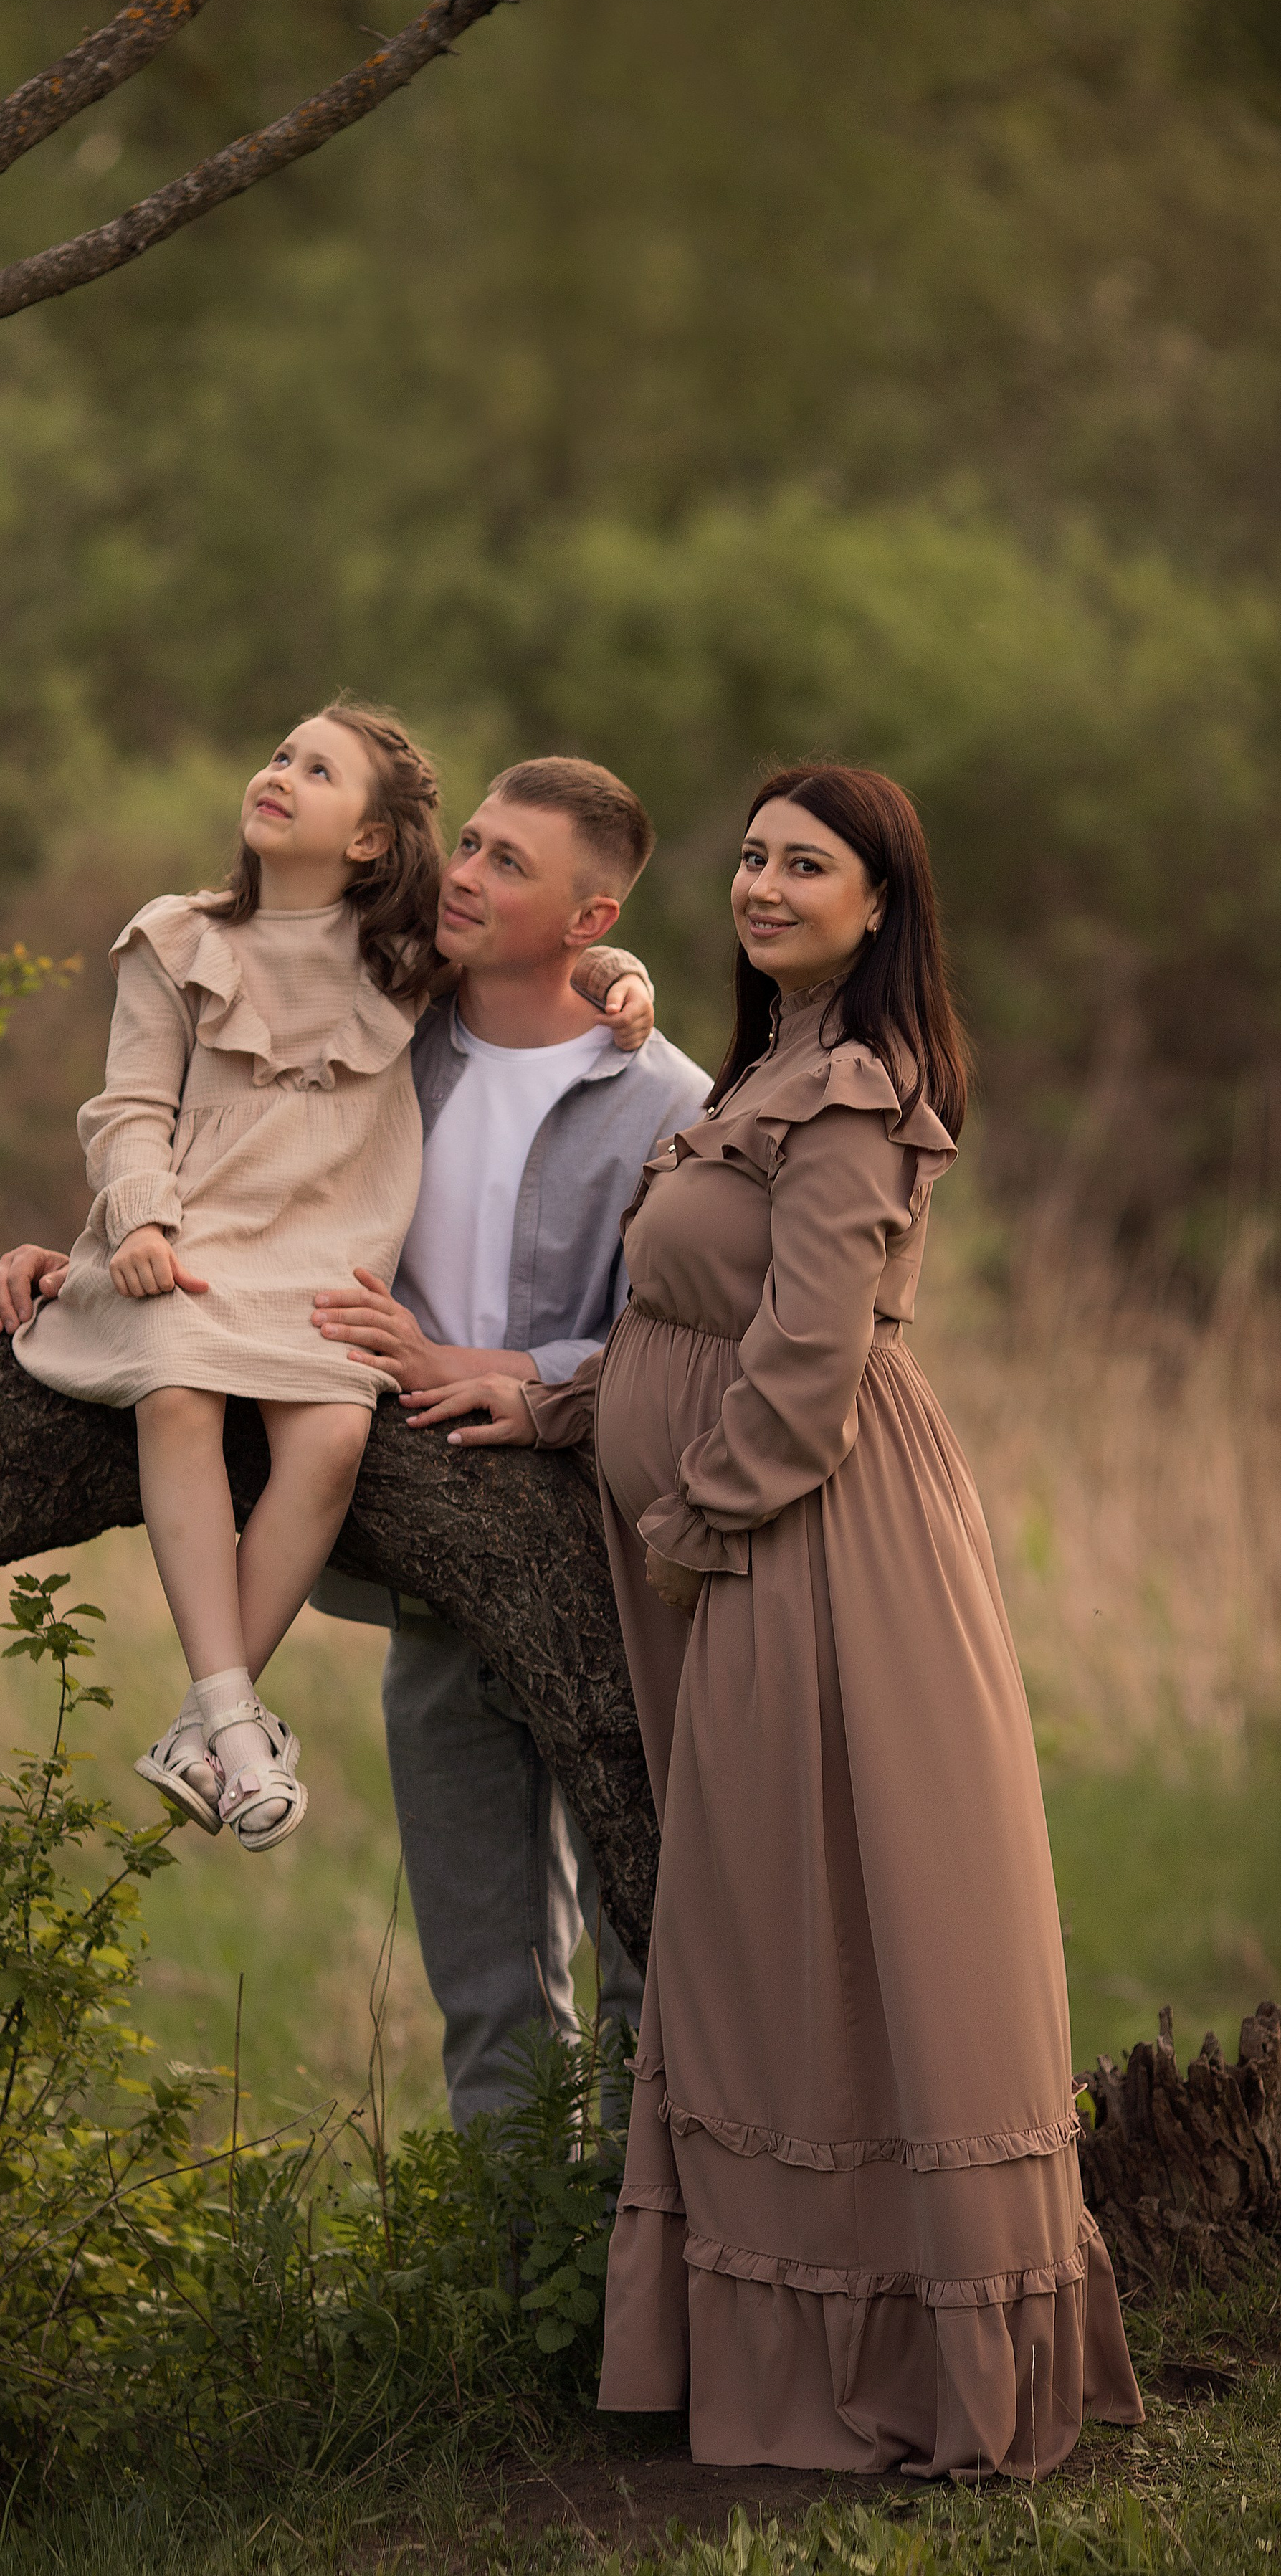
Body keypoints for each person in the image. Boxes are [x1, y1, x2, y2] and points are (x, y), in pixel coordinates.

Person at [417, 763, 1143, 2478]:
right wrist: (552, 1413)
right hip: (729, 1549)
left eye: (803, 864)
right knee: (765, 1931)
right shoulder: (767, 1064)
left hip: (803, 1551)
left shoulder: (858, 1088)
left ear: (876, 901)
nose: (760, 883)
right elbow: (676, 1322)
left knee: (816, 1926)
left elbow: (808, 1361)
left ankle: (897, 2356)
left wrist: (686, 1519)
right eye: (747, 855)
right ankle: (754, 2346)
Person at [0, 700, 657, 1855]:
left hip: (323, 1267)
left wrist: (618, 970)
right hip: (194, 1244)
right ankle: (234, 1714)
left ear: (371, 840)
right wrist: (135, 1219)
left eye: (317, 770)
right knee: (178, 1394)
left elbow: (536, 946)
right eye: (280, 754)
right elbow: (131, 1107)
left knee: (330, 1442)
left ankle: (202, 1727)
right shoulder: (177, 938)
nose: (279, 773)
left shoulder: (403, 955)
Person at [306, 757, 708, 2123]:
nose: (465, 873)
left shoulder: (674, 1105)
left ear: (593, 924)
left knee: (650, 1984)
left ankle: (644, 2301)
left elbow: (695, 1350)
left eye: (508, 864)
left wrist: (512, 1370)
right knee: (486, 2004)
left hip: (611, 1575)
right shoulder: (383, 1041)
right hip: (431, 1569)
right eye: (468, 844)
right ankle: (506, 2308)